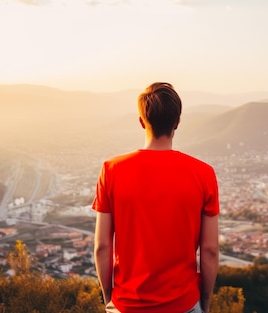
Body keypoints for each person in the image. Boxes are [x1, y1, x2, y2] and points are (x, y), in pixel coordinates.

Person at [93, 82, 220, 313]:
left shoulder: (111, 170)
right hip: (183, 304)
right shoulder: (204, 173)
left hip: (127, 304)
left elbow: (102, 247)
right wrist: (206, 303)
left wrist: (109, 297)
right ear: (177, 123)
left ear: (142, 122)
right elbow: (210, 250)